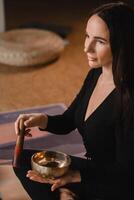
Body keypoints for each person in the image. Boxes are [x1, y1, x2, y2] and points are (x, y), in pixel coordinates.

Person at [13, 2, 134, 199]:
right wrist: (41, 120)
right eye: (87, 36)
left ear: (123, 44)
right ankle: (64, 194)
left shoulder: (129, 98)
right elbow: (69, 120)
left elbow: (127, 174)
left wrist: (76, 176)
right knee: (23, 161)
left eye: (100, 41)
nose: (87, 47)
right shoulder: (96, 74)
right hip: (93, 169)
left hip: (118, 184)